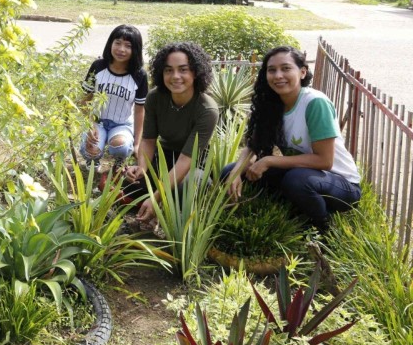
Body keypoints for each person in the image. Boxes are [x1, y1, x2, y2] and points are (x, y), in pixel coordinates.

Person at [223, 46, 361, 232]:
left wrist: (269, 160)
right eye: (272, 70)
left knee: (296, 180)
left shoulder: (315, 103)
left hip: (341, 184)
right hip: (303, 173)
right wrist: (235, 173)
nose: (278, 75)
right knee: (228, 172)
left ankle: (322, 229)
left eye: (286, 68)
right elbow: (254, 145)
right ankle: (279, 207)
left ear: (302, 72)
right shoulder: (272, 103)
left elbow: (325, 161)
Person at [124, 42, 219, 224]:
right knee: (130, 184)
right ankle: (156, 200)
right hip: (164, 157)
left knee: (184, 188)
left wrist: (156, 197)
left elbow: (185, 160)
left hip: (193, 165)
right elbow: (148, 140)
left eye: (183, 70)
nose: (175, 76)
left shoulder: (207, 110)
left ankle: (166, 210)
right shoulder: (155, 97)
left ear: (195, 72)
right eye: (168, 70)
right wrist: (142, 168)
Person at [79, 25, 148, 172]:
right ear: (110, 43)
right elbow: (85, 100)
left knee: (120, 146)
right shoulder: (98, 66)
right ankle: (92, 160)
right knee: (90, 148)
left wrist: (137, 143)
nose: (121, 49)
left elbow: (139, 110)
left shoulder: (139, 75)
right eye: (117, 43)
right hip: (97, 121)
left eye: (128, 46)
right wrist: (89, 125)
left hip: (122, 124)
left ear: (135, 49)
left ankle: (119, 159)